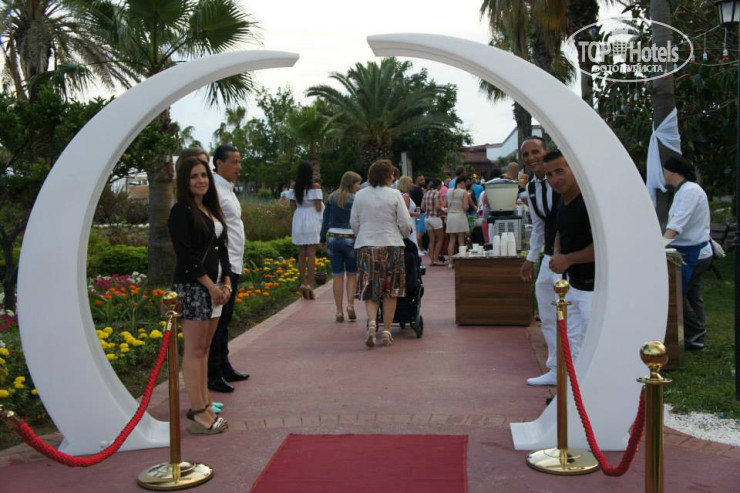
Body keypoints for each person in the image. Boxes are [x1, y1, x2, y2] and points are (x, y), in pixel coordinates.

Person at [168, 152, 230, 434]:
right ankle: (197, 412)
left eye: (204, 175)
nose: (201, 180)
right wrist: (211, 286)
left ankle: (205, 404)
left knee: (205, 348)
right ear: (185, 180)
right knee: (194, 351)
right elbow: (187, 256)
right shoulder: (180, 211)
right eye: (194, 176)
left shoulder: (210, 208)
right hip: (194, 288)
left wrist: (226, 283)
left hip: (215, 289)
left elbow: (222, 248)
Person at [351, 159, 413, 348]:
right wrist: (404, 235)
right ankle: (386, 331)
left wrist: (362, 234)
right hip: (391, 244)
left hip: (366, 245)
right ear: (388, 176)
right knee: (391, 290)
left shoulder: (360, 195)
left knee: (370, 289)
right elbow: (405, 222)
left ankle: (372, 323)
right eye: (392, 174)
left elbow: (354, 222)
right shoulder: (395, 194)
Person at [544, 149, 594, 372]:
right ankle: (571, 385)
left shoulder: (589, 203)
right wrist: (557, 253)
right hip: (572, 285)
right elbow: (560, 232)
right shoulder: (562, 203)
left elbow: (603, 247)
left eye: (560, 171)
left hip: (594, 288)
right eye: (549, 175)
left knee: (590, 342)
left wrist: (568, 259)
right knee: (572, 343)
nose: (554, 179)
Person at [519, 137, 562, 386]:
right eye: (526, 155)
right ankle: (555, 368)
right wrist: (530, 258)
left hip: (569, 254)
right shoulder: (531, 188)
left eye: (535, 152)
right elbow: (538, 226)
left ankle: (575, 367)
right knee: (545, 305)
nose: (531, 158)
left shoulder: (562, 179)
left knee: (569, 311)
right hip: (549, 255)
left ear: (546, 151)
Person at [208, 145, 250, 395]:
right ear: (219, 163)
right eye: (234, 162)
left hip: (233, 261)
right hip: (223, 265)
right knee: (218, 321)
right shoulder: (214, 190)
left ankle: (224, 365)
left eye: (240, 161)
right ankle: (213, 373)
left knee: (225, 320)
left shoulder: (228, 190)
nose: (239, 167)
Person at [662, 155, 712, 350]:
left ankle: (695, 333)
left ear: (672, 172)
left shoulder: (690, 191)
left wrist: (660, 246)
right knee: (691, 295)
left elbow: (677, 224)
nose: (663, 174)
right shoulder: (684, 190)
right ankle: (697, 337)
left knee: (678, 296)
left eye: (664, 171)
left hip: (694, 252)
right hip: (691, 250)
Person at [321, 171, 362, 323]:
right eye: (357, 183)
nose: (359, 186)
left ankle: (338, 311)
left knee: (337, 275)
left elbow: (325, 220)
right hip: (350, 238)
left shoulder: (332, 197)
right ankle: (350, 305)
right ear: (351, 183)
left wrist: (322, 238)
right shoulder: (356, 199)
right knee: (352, 274)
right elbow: (358, 220)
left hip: (333, 237)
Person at [289, 161, 324, 299]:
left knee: (301, 253)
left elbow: (292, 208)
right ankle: (310, 284)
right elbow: (318, 208)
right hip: (312, 219)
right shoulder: (315, 187)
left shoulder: (294, 187)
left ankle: (303, 283)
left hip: (299, 219)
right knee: (311, 254)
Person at [445, 176, 471, 266]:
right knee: (461, 241)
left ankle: (450, 262)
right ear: (462, 182)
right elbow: (466, 207)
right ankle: (461, 262)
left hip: (450, 216)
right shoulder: (464, 192)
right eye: (465, 183)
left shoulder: (448, 191)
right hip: (460, 216)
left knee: (451, 240)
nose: (465, 185)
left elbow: (445, 204)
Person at [422, 179, 445, 266]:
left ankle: (432, 260)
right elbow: (438, 206)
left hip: (427, 218)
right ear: (438, 185)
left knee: (431, 240)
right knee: (440, 239)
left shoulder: (426, 193)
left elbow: (422, 207)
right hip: (435, 218)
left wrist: (429, 210)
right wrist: (444, 211)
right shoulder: (437, 193)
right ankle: (436, 259)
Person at [397, 175, 421, 249]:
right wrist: (415, 214)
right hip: (409, 222)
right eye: (410, 183)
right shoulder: (406, 196)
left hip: (407, 222)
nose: (412, 184)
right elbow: (405, 212)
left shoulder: (399, 195)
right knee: (412, 242)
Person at [410, 175, 426, 252]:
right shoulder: (416, 190)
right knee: (420, 232)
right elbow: (420, 204)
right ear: (416, 181)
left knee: (418, 231)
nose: (423, 181)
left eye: (423, 179)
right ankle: (419, 249)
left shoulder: (416, 190)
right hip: (419, 213)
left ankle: (420, 248)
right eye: (421, 180)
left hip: (416, 213)